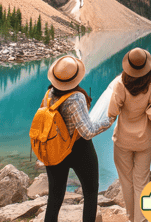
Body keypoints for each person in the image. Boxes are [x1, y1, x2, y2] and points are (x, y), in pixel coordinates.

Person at [42, 55, 112, 222]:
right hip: (80, 149)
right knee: (90, 192)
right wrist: (108, 121)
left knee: (55, 197)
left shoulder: (49, 93)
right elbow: (87, 131)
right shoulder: (76, 97)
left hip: (55, 148)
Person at [108, 47, 151, 222]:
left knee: (126, 182)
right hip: (145, 139)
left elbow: (112, 111)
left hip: (123, 139)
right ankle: (141, 219)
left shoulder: (120, 83)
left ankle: (130, 217)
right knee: (141, 181)